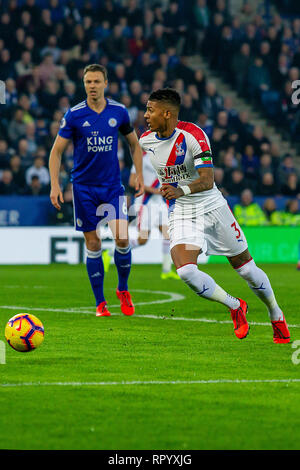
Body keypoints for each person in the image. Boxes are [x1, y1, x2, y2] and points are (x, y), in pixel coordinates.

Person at [140, 88, 290, 343]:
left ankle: (275, 314)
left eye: (150, 110)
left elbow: (208, 181)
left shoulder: (194, 136)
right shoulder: (146, 140)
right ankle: (235, 306)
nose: (145, 115)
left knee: (246, 270)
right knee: (186, 271)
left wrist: (180, 189)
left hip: (212, 207)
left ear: (167, 114)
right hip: (183, 212)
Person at [49, 63, 144, 317]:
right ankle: (100, 303)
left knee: (122, 238)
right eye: (88, 82)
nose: (92, 86)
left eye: (96, 81)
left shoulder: (119, 112)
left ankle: (122, 289)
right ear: (84, 85)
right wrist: (55, 185)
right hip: (83, 188)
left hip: (112, 186)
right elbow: (56, 151)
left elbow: (134, 145)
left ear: (105, 84)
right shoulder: (74, 115)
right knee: (93, 243)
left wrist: (138, 174)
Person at [129, 151, 179, 280]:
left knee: (168, 235)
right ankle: (112, 252)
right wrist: (154, 190)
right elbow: (131, 182)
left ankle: (166, 270)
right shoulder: (140, 159)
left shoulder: (163, 159)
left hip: (159, 202)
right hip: (145, 202)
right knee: (142, 240)